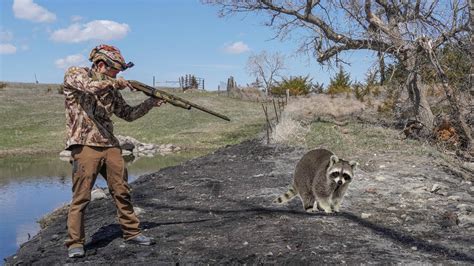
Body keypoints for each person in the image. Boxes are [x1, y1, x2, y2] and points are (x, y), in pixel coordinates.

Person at [62, 44, 164, 258]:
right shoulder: (75, 73)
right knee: (81, 197)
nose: (117, 74)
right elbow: (90, 86)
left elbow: (128, 113)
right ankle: (75, 243)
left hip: (110, 145)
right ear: (101, 64)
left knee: (122, 190)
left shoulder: (111, 88)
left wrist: (150, 102)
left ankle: (132, 232)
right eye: (115, 70)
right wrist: (115, 83)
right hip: (84, 144)